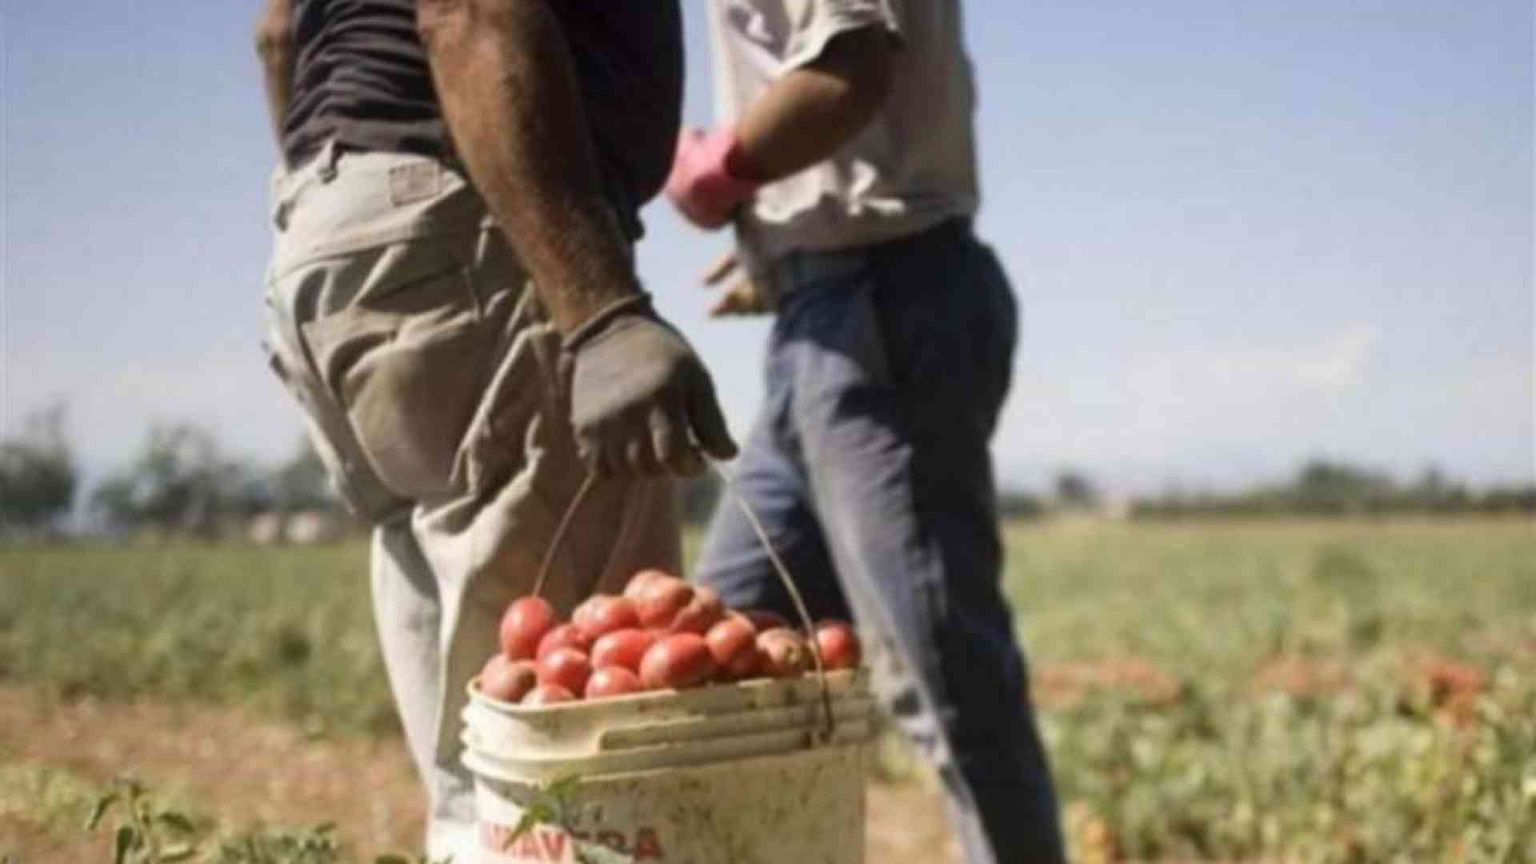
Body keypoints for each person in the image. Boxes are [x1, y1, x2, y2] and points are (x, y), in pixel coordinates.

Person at [254, 0, 736, 858]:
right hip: (472, 222)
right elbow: (468, 10)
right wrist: (599, 312)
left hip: (335, 233)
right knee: (584, 773)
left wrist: (351, 215)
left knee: (488, 780)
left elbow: (279, 35)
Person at [664, 0, 1066, 860]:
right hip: (831, 308)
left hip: (882, 304)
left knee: (949, 685)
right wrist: (789, 243)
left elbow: (847, 65)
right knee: (725, 651)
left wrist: (723, 168)